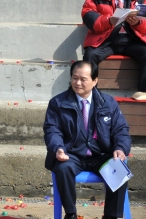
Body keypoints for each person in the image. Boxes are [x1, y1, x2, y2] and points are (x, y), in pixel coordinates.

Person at [44, 60, 131, 219]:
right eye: (74, 78)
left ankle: (111, 216)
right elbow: (52, 130)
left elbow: (121, 130)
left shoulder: (108, 103)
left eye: (83, 79)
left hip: (101, 155)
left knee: (119, 168)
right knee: (63, 169)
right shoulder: (58, 103)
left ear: (95, 80)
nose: (77, 83)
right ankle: (71, 214)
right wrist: (58, 148)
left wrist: (120, 148)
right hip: (71, 155)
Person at [81, 0, 146, 99]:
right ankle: (90, 93)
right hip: (106, 40)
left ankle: (143, 91)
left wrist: (137, 23)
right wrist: (108, 20)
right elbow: (88, 17)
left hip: (131, 39)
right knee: (90, 55)